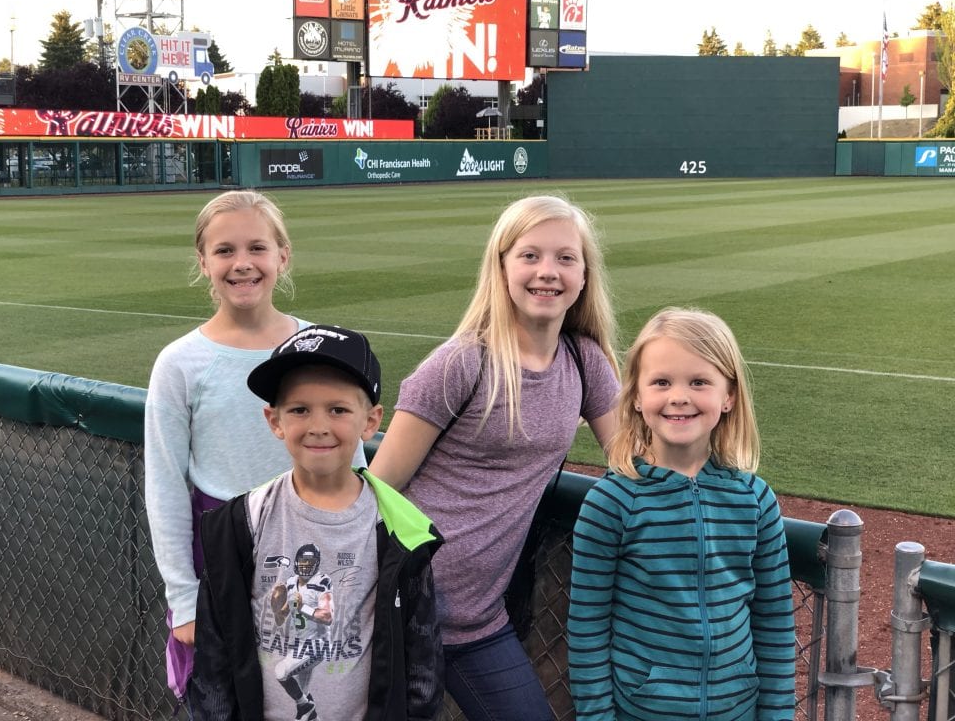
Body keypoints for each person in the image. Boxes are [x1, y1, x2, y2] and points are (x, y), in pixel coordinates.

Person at [370, 195, 621, 721]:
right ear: (502, 265)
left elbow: (631, 460)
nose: (547, 272)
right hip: (394, 612)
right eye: (529, 255)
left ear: (584, 274)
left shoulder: (584, 361)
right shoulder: (462, 362)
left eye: (565, 258)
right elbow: (378, 489)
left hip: (478, 621)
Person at [144, 191, 366, 703]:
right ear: (203, 262)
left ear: (282, 255)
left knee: (306, 693)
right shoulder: (180, 363)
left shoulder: (320, 346)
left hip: (312, 554)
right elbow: (165, 487)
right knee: (225, 697)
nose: (242, 264)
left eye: (257, 248)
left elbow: (352, 467)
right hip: (222, 555)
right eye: (224, 251)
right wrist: (183, 600)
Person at [189, 324, 444, 721]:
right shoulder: (241, 523)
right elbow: (214, 657)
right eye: (300, 409)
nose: (319, 426)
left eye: (338, 409)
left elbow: (420, 659)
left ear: (371, 420)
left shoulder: (400, 529)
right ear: (274, 420)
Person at [568, 307, 796, 721]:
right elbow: (588, 630)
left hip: (737, 709)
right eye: (661, 382)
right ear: (636, 396)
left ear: (728, 396)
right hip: (643, 711)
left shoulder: (756, 500)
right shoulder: (612, 502)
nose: (678, 396)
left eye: (699, 382)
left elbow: (776, 625)